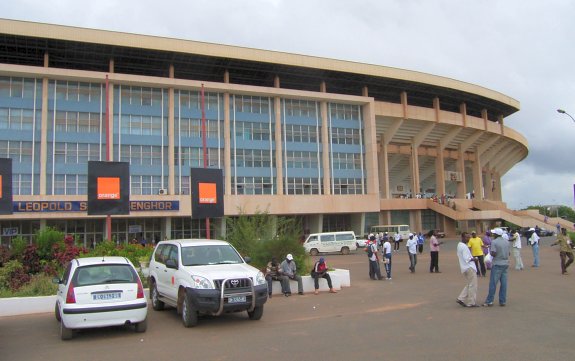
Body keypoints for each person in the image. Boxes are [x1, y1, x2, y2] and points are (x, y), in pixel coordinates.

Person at [483, 228, 510, 307]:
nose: (492, 234)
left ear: (496, 234)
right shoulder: (506, 241)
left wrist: (490, 253)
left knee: (493, 283)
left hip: (497, 263)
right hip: (505, 263)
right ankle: (502, 301)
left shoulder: (494, 242)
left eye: (494, 233)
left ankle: (489, 301)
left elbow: (493, 253)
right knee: (504, 283)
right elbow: (508, 253)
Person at [456, 232, 479, 307]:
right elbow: (467, 258)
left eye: (469, 237)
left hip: (464, 267)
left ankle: (461, 298)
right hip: (469, 267)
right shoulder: (464, 247)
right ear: (462, 237)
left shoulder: (460, 245)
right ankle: (471, 302)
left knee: (470, 284)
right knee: (473, 285)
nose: (468, 239)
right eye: (466, 237)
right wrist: (475, 259)